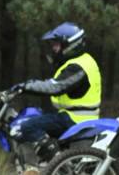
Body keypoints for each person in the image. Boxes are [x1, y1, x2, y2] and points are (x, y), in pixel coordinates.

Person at [13, 22, 102, 162]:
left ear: (70, 45)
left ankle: (58, 163)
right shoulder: (80, 61)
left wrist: (26, 86)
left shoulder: (78, 66)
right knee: (38, 120)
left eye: (57, 45)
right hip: (72, 116)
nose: (54, 49)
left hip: (75, 119)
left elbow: (56, 87)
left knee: (28, 126)